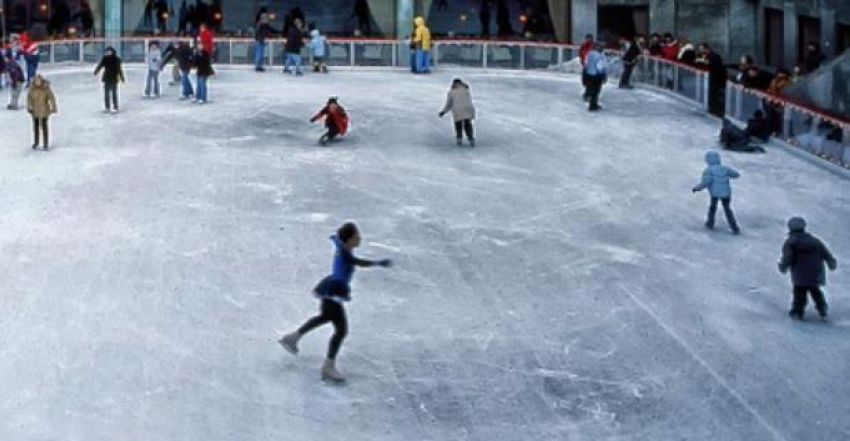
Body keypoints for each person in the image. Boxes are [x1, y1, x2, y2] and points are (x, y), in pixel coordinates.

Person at [279, 222, 392, 382]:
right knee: (341, 330)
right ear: (349, 239)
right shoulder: (345, 253)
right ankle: (327, 366)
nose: (360, 238)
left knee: (324, 318)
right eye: (356, 236)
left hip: (331, 289)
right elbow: (358, 262)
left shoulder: (343, 249)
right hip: (334, 291)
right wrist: (378, 263)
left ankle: (293, 337)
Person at [779, 217, 837, 321]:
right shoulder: (814, 241)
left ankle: (797, 310)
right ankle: (821, 307)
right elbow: (825, 252)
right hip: (815, 271)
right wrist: (831, 263)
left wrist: (783, 266)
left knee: (799, 291)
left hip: (799, 273)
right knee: (814, 289)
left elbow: (788, 257)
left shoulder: (791, 242)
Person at [692, 151, 740, 234]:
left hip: (715, 194)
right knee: (727, 209)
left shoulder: (708, 170)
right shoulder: (725, 168)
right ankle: (734, 227)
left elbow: (706, 182)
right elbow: (736, 174)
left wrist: (697, 188)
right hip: (726, 193)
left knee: (713, 207)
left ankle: (710, 223)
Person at [439, 78, 477, 147]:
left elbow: (449, 104)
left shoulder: (451, 92)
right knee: (467, 123)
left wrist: (443, 112)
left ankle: (459, 138)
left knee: (458, 124)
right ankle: (471, 138)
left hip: (457, 109)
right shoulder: (466, 90)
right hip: (468, 108)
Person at [26, 75, 57, 150]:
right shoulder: (32, 89)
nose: (38, 83)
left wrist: (53, 107)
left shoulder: (46, 89)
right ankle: (36, 142)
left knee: (44, 127)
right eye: (36, 81)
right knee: (36, 127)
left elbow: (52, 98)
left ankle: (45, 143)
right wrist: (30, 107)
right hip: (35, 111)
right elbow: (29, 99)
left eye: (39, 81)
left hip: (44, 111)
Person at [696, 44, 727, 117]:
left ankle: (717, 111)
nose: (700, 51)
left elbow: (715, 65)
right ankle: (712, 109)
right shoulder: (703, 56)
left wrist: (705, 62)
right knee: (711, 94)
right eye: (699, 49)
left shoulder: (715, 56)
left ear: (707, 49)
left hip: (717, 79)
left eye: (701, 49)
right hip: (710, 79)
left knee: (716, 95)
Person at [93, 46, 125, 113]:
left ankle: (115, 107)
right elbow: (100, 65)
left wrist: (122, 77)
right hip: (107, 78)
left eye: (109, 51)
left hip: (114, 79)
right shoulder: (105, 58)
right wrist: (96, 71)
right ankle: (107, 107)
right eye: (107, 51)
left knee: (114, 93)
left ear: (112, 51)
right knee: (106, 94)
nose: (108, 52)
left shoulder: (117, 59)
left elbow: (119, 69)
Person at [583, 43, 607, 111]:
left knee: (590, 87)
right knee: (596, 91)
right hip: (596, 76)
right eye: (601, 47)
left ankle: (588, 96)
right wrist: (603, 76)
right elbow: (600, 67)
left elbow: (586, 63)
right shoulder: (600, 56)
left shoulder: (589, 53)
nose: (602, 49)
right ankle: (593, 105)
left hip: (589, 74)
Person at [253, 8, 275, 72]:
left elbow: (269, 28)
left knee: (260, 53)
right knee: (259, 53)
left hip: (260, 39)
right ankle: (258, 66)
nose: (266, 17)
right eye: (265, 16)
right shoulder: (260, 24)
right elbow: (262, 31)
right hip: (259, 39)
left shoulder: (262, 23)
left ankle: (259, 66)